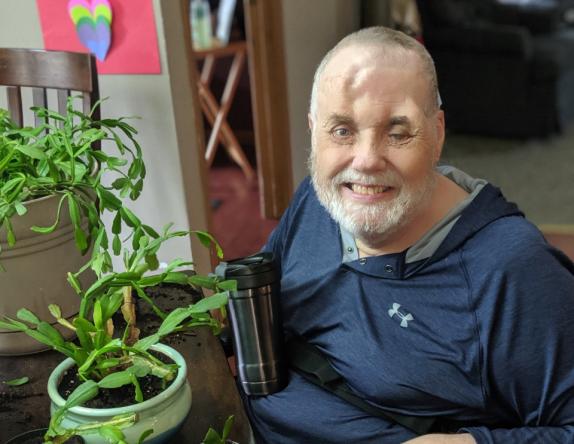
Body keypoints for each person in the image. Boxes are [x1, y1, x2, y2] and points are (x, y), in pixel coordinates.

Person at [241, 26, 574, 443]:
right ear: (313, 130)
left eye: (397, 133)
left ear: (437, 134)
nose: (364, 161)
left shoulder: (511, 269)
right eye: (342, 130)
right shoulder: (318, 197)